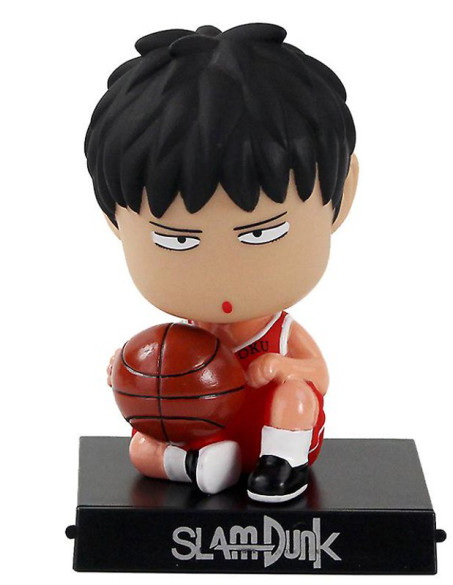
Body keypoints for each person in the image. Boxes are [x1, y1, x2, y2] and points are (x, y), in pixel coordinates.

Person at [87, 23, 358, 503]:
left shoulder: (280, 331)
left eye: (262, 233)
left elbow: (319, 374)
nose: (223, 277)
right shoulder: (182, 340)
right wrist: (129, 370)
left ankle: (282, 463)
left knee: (295, 393)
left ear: (344, 196)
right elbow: (151, 373)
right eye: (176, 240)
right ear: (114, 220)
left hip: (270, 427)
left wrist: (279, 365)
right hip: (205, 430)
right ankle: (195, 466)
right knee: (140, 446)